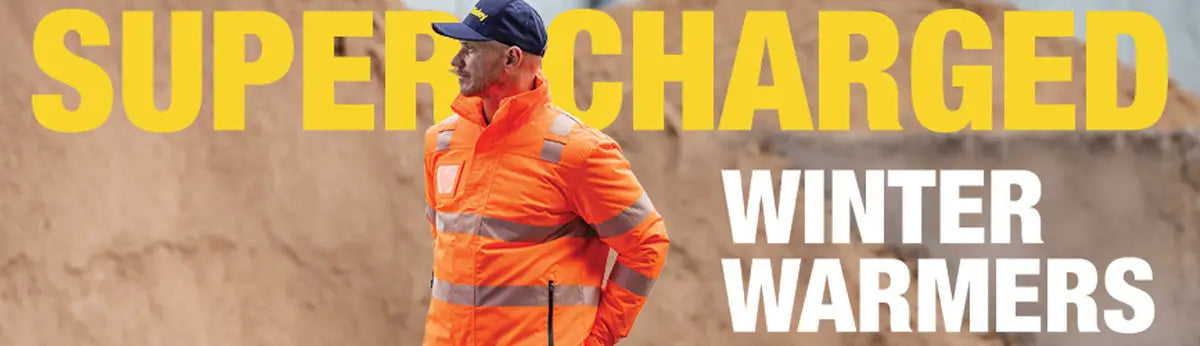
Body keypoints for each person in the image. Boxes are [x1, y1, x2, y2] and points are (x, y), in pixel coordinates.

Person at [420, 0, 670, 345]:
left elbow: (646, 242)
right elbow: (447, 243)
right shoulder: (442, 142)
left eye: (471, 50)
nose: (455, 62)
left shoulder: (578, 152)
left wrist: (598, 338)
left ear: (511, 58)